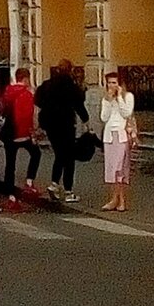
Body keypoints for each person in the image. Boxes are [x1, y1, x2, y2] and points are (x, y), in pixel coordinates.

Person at [35, 59, 89, 203]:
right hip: (66, 125)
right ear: (70, 70)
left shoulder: (47, 84)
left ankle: (54, 184)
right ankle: (68, 191)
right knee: (69, 157)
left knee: (59, 154)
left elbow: (38, 100)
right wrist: (86, 120)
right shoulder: (70, 86)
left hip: (50, 126)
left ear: (58, 69)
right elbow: (79, 104)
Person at [0, 67, 42, 204]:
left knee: (10, 163)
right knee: (36, 153)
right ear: (26, 79)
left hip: (8, 132)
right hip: (21, 132)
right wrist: (31, 133)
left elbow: (2, 110)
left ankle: (10, 194)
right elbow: (26, 115)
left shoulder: (7, 92)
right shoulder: (26, 94)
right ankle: (29, 181)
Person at [100, 71, 135, 212]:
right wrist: (109, 101)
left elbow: (126, 113)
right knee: (111, 169)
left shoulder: (128, 97)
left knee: (119, 168)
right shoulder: (106, 99)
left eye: (114, 82)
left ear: (120, 84)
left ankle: (121, 200)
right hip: (109, 136)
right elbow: (104, 117)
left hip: (121, 136)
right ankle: (115, 199)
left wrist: (119, 97)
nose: (111, 85)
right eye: (109, 83)